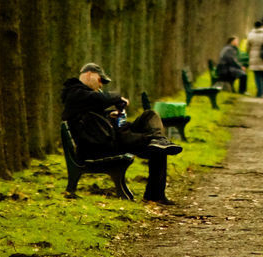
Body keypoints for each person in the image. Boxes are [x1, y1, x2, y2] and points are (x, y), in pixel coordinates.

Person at [61, 62, 182, 204]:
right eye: (101, 80)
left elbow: (92, 114)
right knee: (156, 146)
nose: (101, 86)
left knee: (150, 118)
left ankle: (158, 142)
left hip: (109, 139)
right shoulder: (74, 92)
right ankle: (154, 192)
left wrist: (108, 115)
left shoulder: (83, 96)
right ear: (89, 74)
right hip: (103, 146)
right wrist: (118, 97)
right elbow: (100, 100)